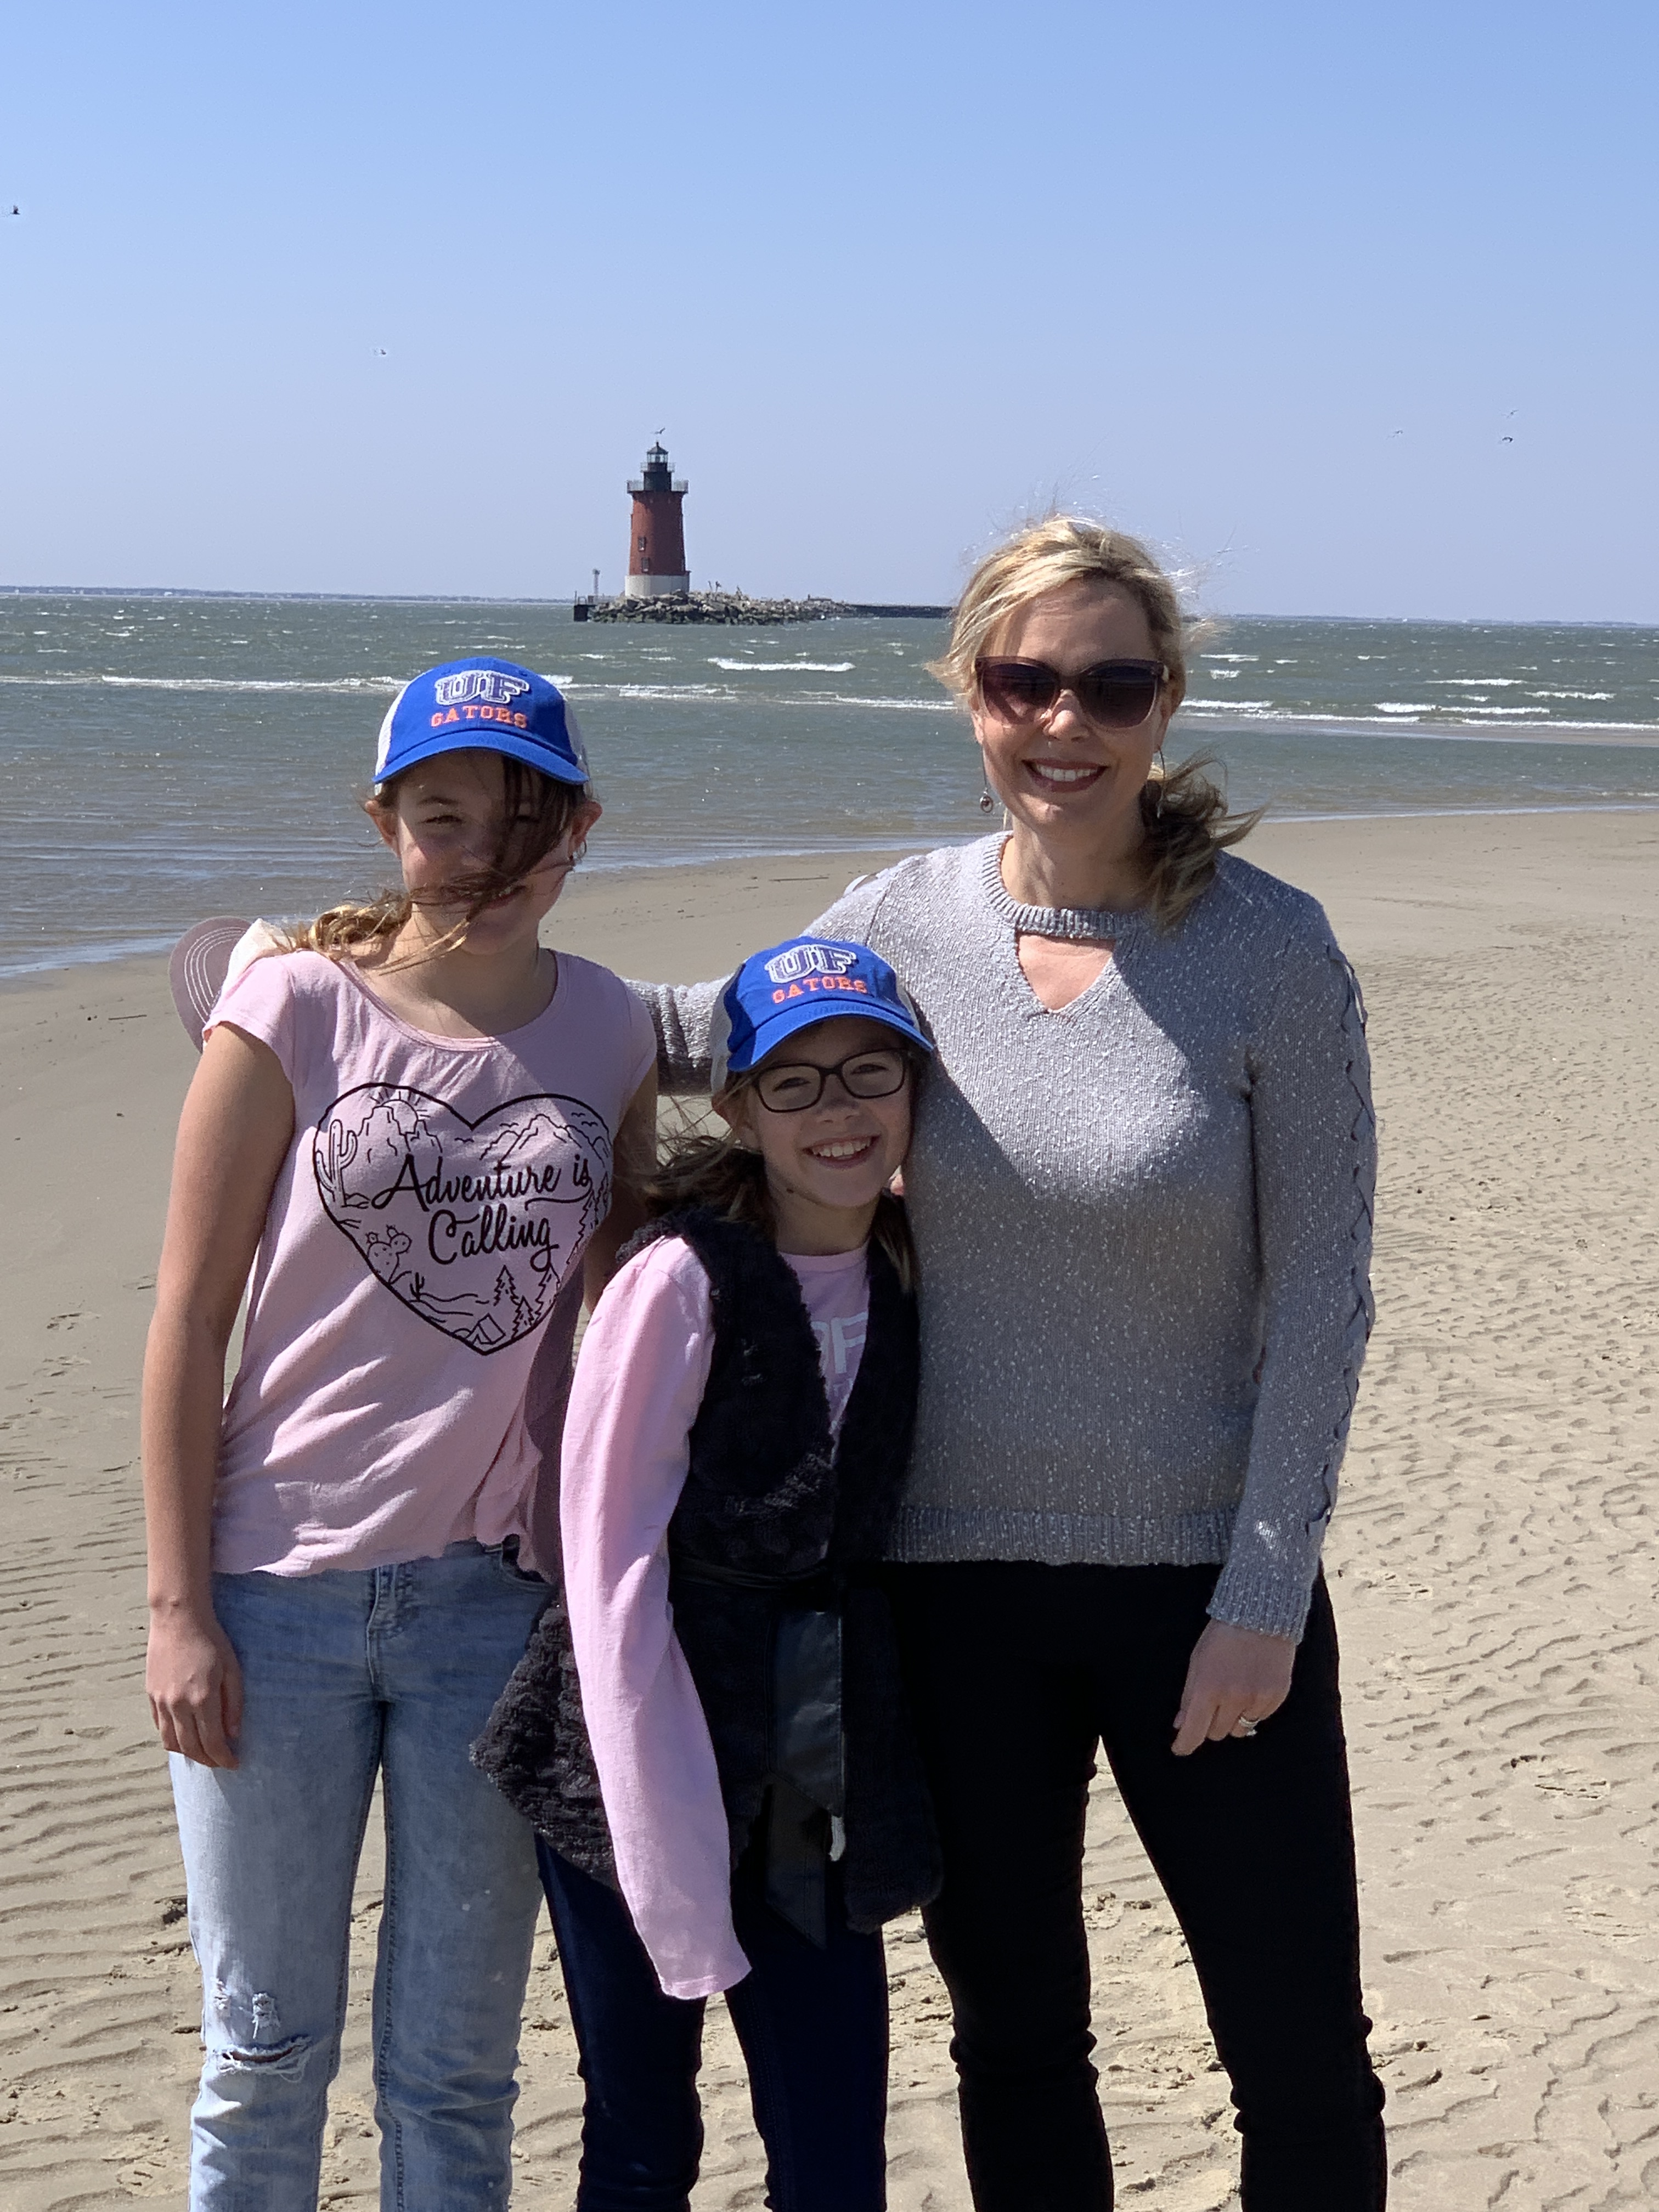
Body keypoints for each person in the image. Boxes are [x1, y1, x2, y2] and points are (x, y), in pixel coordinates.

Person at [628, 517, 1389, 2210]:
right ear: (969, 693)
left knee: (1296, 2056)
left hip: (1202, 1589)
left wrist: (1264, 1597)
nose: (1065, 720)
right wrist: (389, 983)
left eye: (1110, 684)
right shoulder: (899, 926)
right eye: (1023, 679)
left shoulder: (1271, 953)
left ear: (1166, 701)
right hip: (945, 1593)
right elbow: (690, 1035)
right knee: (1019, 2039)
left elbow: (1325, 1298)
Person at [142, 658, 657, 2210]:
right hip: (270, 1599)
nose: (487, 861)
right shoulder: (291, 1007)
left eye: (527, 826)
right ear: (386, 826)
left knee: (455, 2066)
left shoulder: (611, 1028)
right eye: (445, 821)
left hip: (489, 1610)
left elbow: (627, 1310)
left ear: (583, 830)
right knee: (264, 2047)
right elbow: (188, 1322)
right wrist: (178, 1611)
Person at [475, 938, 941, 2212]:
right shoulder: (680, 1281)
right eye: (793, 1082)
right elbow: (608, 1563)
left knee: (833, 2140)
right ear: (737, 1108)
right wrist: (660, 1824)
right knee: (643, 2135)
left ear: (914, 1088)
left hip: (804, 1755)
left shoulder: (911, 1263)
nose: (838, 1110)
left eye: (870, 1071)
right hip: (628, 1746)